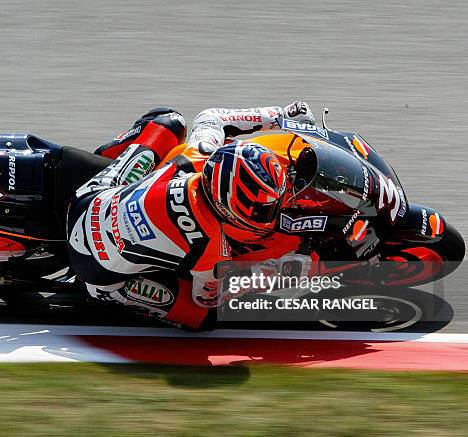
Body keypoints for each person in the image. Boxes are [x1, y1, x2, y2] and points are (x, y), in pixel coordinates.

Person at [67, 102, 315, 329]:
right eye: (262, 209)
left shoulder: (201, 155)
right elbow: (207, 297)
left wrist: (280, 116)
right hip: (97, 273)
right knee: (204, 318)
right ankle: (101, 292)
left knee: (168, 122)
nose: (269, 213)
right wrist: (268, 273)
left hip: (92, 197)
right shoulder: (212, 246)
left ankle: (97, 162)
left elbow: (210, 118)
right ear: (227, 206)